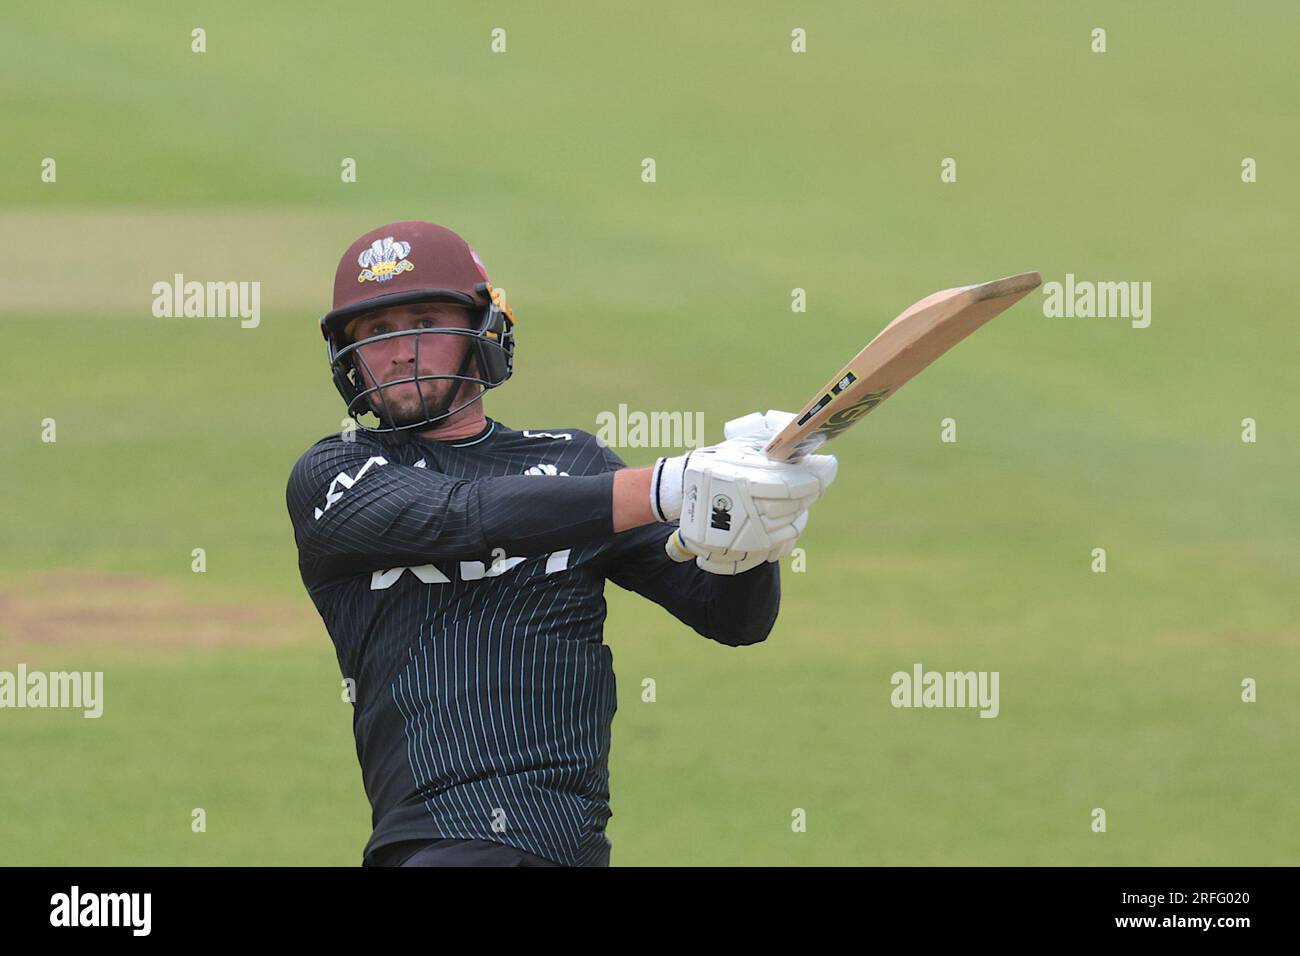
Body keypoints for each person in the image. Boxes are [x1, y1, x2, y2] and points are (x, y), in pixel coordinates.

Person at [285, 221, 836, 866]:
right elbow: (464, 516)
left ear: (485, 329)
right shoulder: (337, 474)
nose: (401, 350)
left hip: (570, 848)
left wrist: (747, 531)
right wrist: (669, 484)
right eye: (376, 333)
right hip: (437, 842)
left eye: (426, 320)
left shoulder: (575, 462)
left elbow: (733, 619)